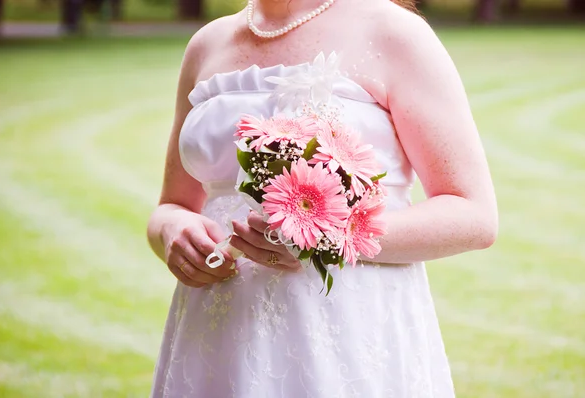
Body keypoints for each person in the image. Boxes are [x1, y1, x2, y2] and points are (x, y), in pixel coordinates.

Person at [146, 0, 498, 396]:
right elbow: (171, 205)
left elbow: (473, 214)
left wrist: (325, 238)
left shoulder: (394, 32)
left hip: (346, 333)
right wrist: (173, 230)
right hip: (216, 337)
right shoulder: (206, 45)